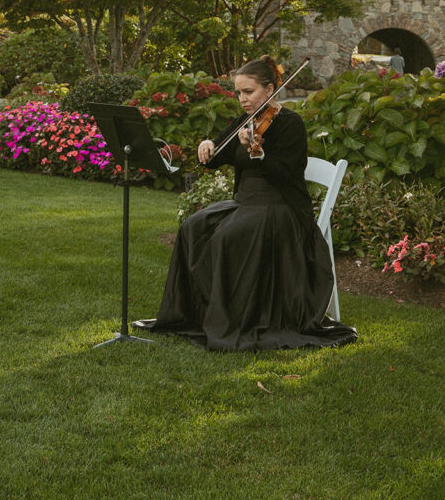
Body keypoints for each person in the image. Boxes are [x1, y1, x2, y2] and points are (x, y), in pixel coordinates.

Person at [134, 56, 357, 351]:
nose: (242, 99)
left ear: (269, 89)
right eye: (238, 92)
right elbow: (217, 156)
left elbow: (284, 174)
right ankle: (197, 314)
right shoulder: (245, 122)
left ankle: (234, 319)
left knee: (228, 236)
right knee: (192, 227)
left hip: (280, 208)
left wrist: (257, 154)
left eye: (248, 92)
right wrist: (207, 146)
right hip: (245, 203)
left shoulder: (291, 124)